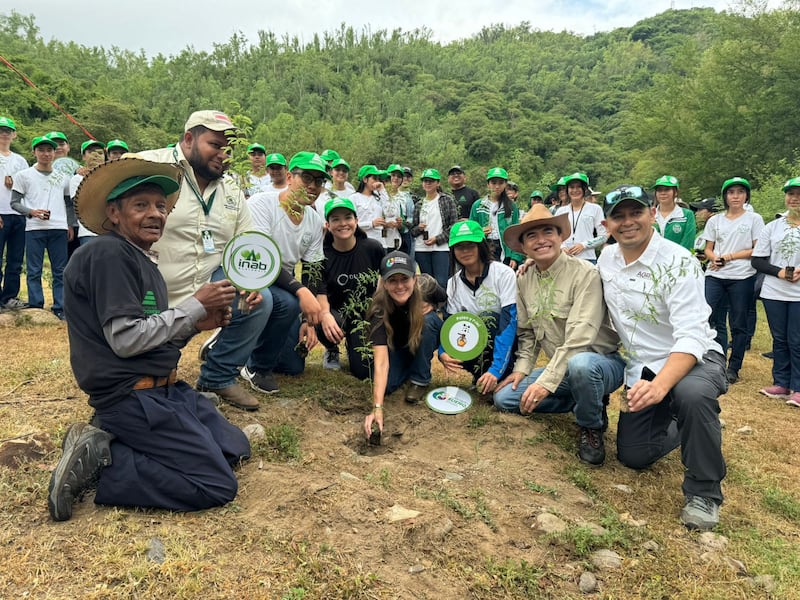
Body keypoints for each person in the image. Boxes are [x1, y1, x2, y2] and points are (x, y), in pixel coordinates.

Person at [49, 156, 251, 522]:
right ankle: (106, 460)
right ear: (114, 213)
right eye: (140, 205)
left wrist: (196, 324)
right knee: (216, 484)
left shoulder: (142, 261)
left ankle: (113, 438)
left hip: (164, 390)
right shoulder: (108, 253)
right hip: (131, 397)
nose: (155, 214)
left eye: (160, 206)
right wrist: (193, 305)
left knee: (235, 448)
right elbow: (126, 341)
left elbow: (150, 342)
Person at [598, 185, 727, 531]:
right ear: (606, 223)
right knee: (633, 455)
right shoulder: (606, 259)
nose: (628, 222)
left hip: (695, 358)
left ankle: (704, 493)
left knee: (691, 395)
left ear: (653, 213)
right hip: (642, 366)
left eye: (636, 213)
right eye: (618, 216)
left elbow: (691, 335)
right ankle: (694, 427)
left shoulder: (678, 262)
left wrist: (660, 386)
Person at [136, 110, 269, 411]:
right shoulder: (149, 166)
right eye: (215, 145)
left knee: (264, 300)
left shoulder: (232, 189)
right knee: (145, 384)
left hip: (208, 285)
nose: (224, 154)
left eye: (230, 149)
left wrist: (252, 282)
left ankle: (218, 376)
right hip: (153, 290)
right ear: (188, 139)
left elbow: (246, 241)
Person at [494, 205, 624, 465]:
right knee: (504, 397)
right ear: (523, 247)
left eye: (547, 232)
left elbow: (580, 339)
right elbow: (528, 333)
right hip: (561, 367)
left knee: (582, 366)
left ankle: (591, 425)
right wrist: (521, 370)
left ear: (560, 236)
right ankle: (584, 401)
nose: (541, 240)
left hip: (599, 362)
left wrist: (544, 383)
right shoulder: (524, 279)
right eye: (531, 236)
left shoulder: (585, 273)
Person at [242, 152, 327, 391]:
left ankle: (244, 345)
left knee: (293, 366)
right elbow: (260, 258)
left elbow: (312, 268)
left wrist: (308, 320)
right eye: (307, 178)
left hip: (283, 281)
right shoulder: (262, 203)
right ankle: (257, 367)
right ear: (290, 177)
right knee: (287, 303)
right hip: (252, 273)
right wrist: (300, 292)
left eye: (319, 181)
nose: (313, 186)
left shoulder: (312, 219)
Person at [362, 252, 444, 437]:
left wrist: (434, 306)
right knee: (388, 386)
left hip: (424, 334)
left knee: (430, 321)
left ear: (414, 279)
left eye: (404, 279)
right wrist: (377, 407)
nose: (399, 286)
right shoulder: (378, 310)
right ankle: (410, 364)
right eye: (393, 280)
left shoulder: (426, 286)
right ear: (384, 283)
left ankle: (420, 379)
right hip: (399, 347)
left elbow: (446, 299)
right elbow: (381, 363)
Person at [438, 220, 517, 399]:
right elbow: (450, 325)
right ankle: (480, 376)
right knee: (467, 326)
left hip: (507, 346)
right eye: (459, 247)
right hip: (474, 343)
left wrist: (496, 370)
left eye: (470, 245)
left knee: (488, 317)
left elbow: (509, 324)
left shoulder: (504, 274)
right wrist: (443, 352)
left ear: (481, 245)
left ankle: (500, 374)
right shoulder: (453, 283)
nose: (465, 251)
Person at [702, 177, 764, 384]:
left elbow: (758, 249)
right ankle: (713, 359)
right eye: (731, 192)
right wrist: (714, 258)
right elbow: (708, 248)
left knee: (738, 322)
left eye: (740, 192)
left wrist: (729, 256)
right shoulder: (715, 220)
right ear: (725, 196)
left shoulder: (754, 219)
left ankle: (734, 367)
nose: (735, 196)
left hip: (742, 276)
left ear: (746, 195)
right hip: (715, 275)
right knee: (706, 315)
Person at [316, 196, 385, 374]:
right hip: (335, 314)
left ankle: (354, 343)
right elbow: (319, 293)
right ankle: (331, 349)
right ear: (327, 225)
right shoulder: (321, 255)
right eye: (335, 219)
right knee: (321, 316)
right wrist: (325, 315)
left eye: (347, 217)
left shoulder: (373, 248)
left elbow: (386, 279)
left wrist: (377, 309)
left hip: (364, 314)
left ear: (356, 220)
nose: (343, 223)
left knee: (364, 371)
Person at [10, 135, 75, 319]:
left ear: (54, 153)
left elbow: (68, 203)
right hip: (33, 227)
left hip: (59, 227)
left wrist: (69, 224)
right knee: (34, 269)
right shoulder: (24, 176)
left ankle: (60, 307)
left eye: (49, 150)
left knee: (60, 270)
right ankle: (36, 305)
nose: (46, 154)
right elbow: (14, 202)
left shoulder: (62, 177)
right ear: (34, 152)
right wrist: (32, 211)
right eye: (41, 150)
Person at [752, 176, 800, 407]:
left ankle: (798, 387)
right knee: (779, 339)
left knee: (797, 340)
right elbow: (758, 261)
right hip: (774, 292)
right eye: (791, 194)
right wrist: (779, 272)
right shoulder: (773, 226)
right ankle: (781, 382)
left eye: (799, 194)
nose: (795, 199)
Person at [0, 115, 30, 310]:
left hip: (18, 215)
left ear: (14, 135)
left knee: (15, 260)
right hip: (0, 214)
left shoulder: (20, 161)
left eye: (7, 131)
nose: (4, 134)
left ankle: (9, 297)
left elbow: (29, 186)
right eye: (1, 131)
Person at [411, 168, 458, 289]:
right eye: (425, 181)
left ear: (438, 183)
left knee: (442, 282)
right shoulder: (419, 204)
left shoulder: (447, 200)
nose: (428, 183)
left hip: (441, 248)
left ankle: (443, 308)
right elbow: (413, 231)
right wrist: (419, 228)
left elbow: (453, 226)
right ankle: (430, 308)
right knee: (427, 283)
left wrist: (437, 239)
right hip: (421, 248)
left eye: (431, 181)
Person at [469, 167, 525, 268]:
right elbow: (471, 230)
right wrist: (481, 231)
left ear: (505, 185)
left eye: (500, 183)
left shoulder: (511, 206)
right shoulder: (478, 206)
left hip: (505, 248)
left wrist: (515, 257)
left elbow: (517, 233)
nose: (497, 186)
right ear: (488, 184)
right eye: (493, 183)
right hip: (485, 247)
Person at [554, 172, 607, 263]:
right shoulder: (560, 211)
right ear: (567, 190)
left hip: (588, 259)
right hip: (565, 259)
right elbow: (554, 235)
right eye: (572, 187)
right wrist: (562, 247)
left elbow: (603, 236)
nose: (575, 190)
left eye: (578, 187)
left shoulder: (595, 209)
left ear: (585, 189)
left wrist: (584, 245)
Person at [70, 140, 107, 245]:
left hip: (111, 233)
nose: (96, 156)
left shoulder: (111, 177)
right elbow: (79, 203)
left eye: (100, 153)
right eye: (90, 152)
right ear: (84, 157)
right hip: (88, 232)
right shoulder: (77, 179)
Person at [652, 175, 696, 251]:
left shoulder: (687, 215)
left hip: (679, 260)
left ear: (675, 192)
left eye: (667, 190)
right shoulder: (650, 215)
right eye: (659, 190)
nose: (663, 193)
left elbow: (688, 242)